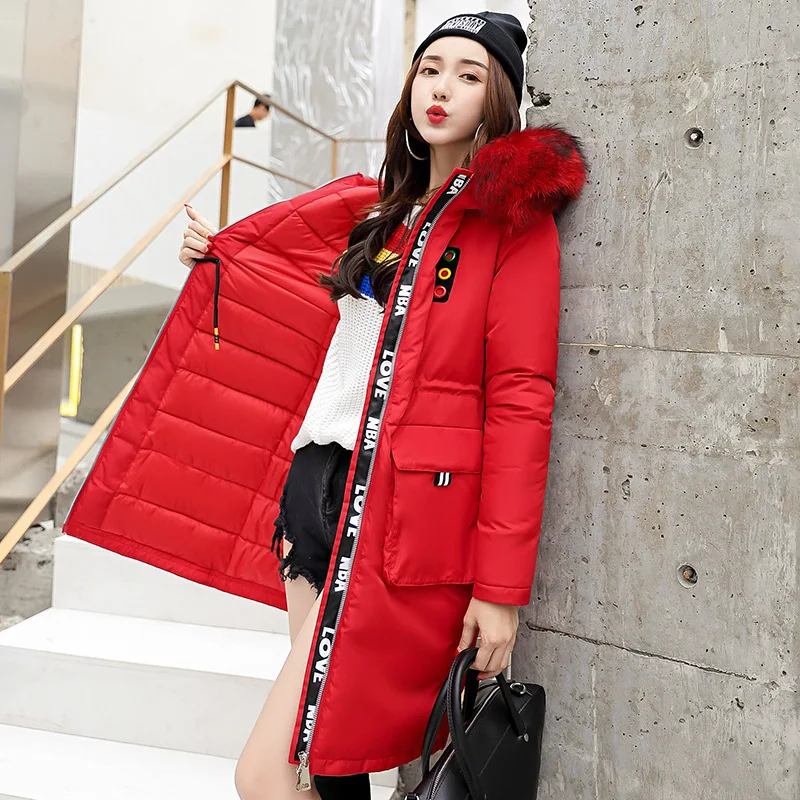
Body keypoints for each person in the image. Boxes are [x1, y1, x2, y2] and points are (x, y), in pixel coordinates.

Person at [65, 10, 587, 800]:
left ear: (500, 98)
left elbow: (520, 403)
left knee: (267, 776)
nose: (441, 88)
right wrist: (220, 256)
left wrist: (500, 589)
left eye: (469, 75)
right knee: (325, 765)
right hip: (313, 488)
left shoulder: (509, 226)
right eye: (430, 69)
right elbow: (309, 309)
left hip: (392, 508)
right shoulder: (377, 209)